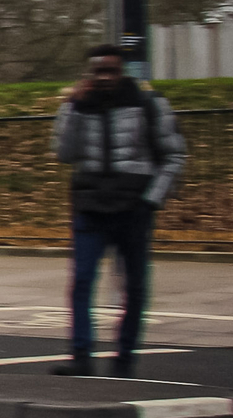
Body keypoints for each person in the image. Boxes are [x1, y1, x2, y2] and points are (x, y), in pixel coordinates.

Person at [51, 45, 185, 378]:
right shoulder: (79, 106)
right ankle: (81, 355)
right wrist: (74, 108)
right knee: (81, 281)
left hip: (133, 207)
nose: (105, 77)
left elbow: (174, 157)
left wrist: (151, 200)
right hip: (90, 207)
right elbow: (64, 153)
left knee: (134, 286)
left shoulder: (149, 105)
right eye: (98, 71)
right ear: (89, 74)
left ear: (122, 71)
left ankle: (125, 359)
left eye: (111, 70)